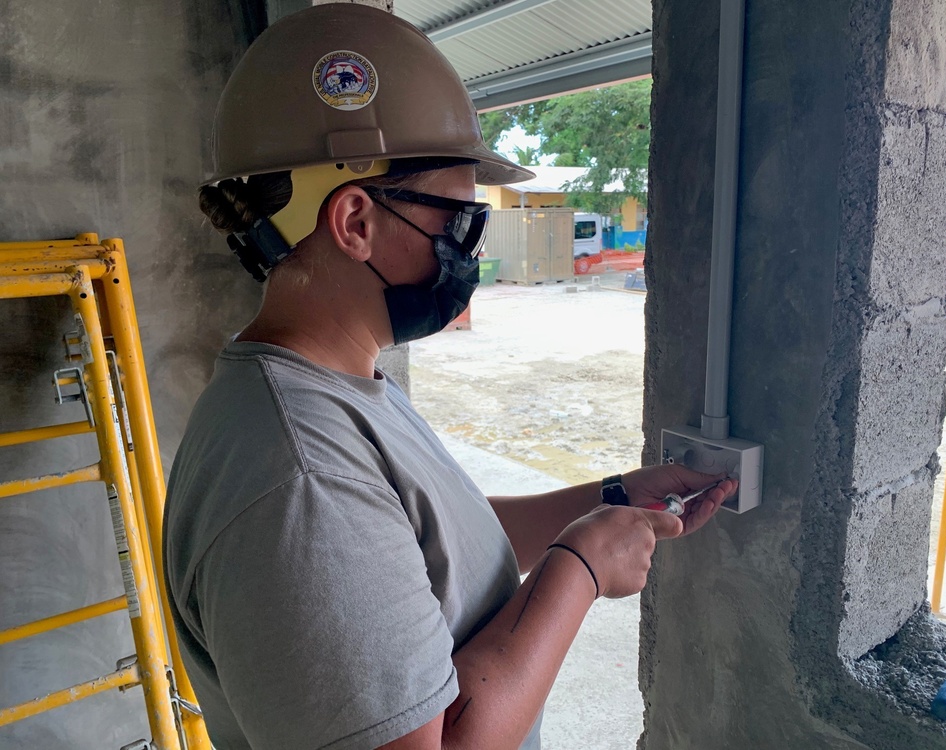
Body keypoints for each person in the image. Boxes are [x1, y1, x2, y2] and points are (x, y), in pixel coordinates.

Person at [162, 5, 738, 750]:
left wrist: (610, 499)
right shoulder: (293, 472)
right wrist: (581, 568)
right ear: (355, 222)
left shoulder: (342, 385)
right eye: (458, 224)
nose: (468, 252)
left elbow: (420, 557)